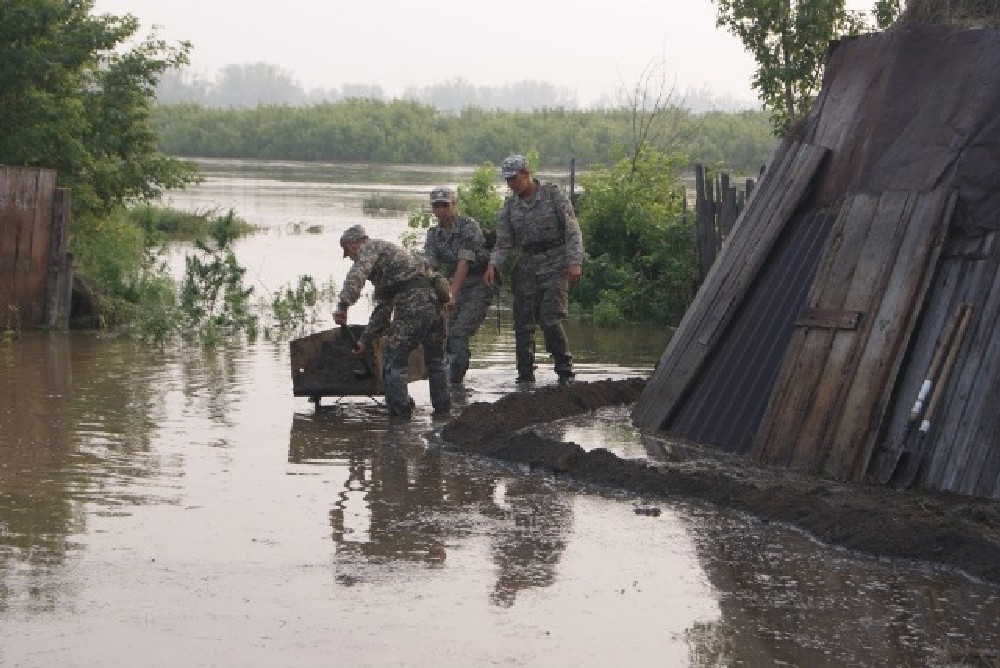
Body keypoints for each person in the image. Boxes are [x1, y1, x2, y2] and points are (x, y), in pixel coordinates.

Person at [483, 155, 585, 383]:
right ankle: (525, 376)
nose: (511, 184)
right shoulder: (510, 206)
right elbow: (504, 242)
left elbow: (572, 230)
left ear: (527, 174)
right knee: (522, 323)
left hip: (555, 262)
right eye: (507, 180)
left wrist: (575, 261)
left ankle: (565, 372)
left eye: (514, 178)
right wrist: (493, 265)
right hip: (526, 266)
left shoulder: (552, 195)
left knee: (550, 318)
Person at [333, 224, 450, 418]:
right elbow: (383, 310)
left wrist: (343, 305)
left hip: (414, 304)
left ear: (353, 245)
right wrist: (365, 340)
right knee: (436, 359)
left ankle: (399, 417)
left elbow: (356, 275)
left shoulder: (368, 248)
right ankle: (444, 414)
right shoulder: (390, 257)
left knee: (394, 358)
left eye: (349, 253)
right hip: (436, 302)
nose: (352, 258)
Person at [424, 186, 494, 384]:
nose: (441, 210)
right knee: (443, 331)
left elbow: (464, 264)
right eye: (436, 206)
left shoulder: (468, 226)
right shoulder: (433, 234)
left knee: (459, 333)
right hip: (453, 280)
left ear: (454, 205)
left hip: (479, 282)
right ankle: (449, 380)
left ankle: (454, 383)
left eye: (445, 205)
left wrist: (451, 296)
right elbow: (430, 266)